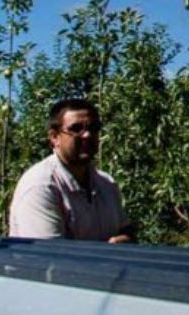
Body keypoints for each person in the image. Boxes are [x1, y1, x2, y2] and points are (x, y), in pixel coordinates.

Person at [8, 97, 134, 243]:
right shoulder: (41, 187)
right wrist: (108, 253)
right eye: (76, 129)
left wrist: (125, 240)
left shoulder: (106, 184)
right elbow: (47, 258)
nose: (87, 135)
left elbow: (126, 230)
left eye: (93, 128)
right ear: (54, 137)